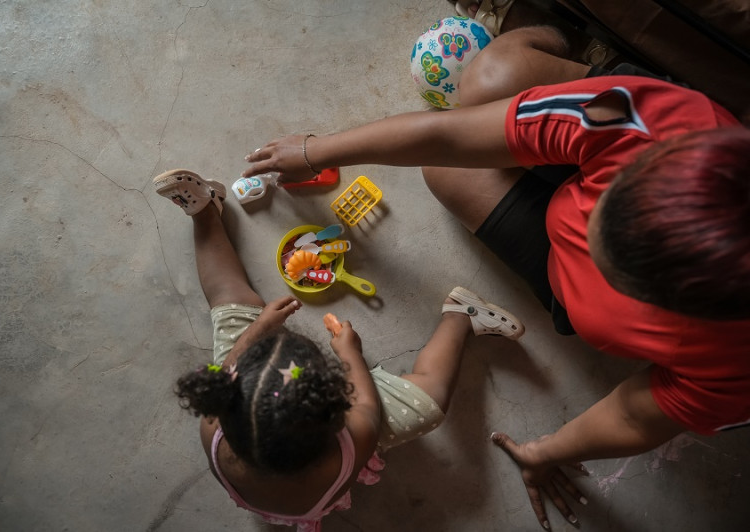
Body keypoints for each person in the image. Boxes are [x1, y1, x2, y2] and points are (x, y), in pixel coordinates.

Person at [241, 24, 750, 530]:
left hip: (587, 223)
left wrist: (543, 451)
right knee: (485, 84)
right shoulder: (644, 119)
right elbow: (447, 134)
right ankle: (560, 43)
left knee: (448, 169)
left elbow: (637, 416)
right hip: (603, 141)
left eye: (615, 276)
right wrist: (317, 150)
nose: (581, 226)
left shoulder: (737, 374)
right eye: (606, 207)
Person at [153, 168, 525, 531]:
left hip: (259, 421)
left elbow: (227, 369)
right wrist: (350, 354)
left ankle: (203, 212)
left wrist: (259, 327)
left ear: (224, 398)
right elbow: (365, 402)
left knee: (226, 297)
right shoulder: (351, 445)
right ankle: (461, 316)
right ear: (334, 409)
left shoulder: (212, 428)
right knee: (429, 404)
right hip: (341, 422)